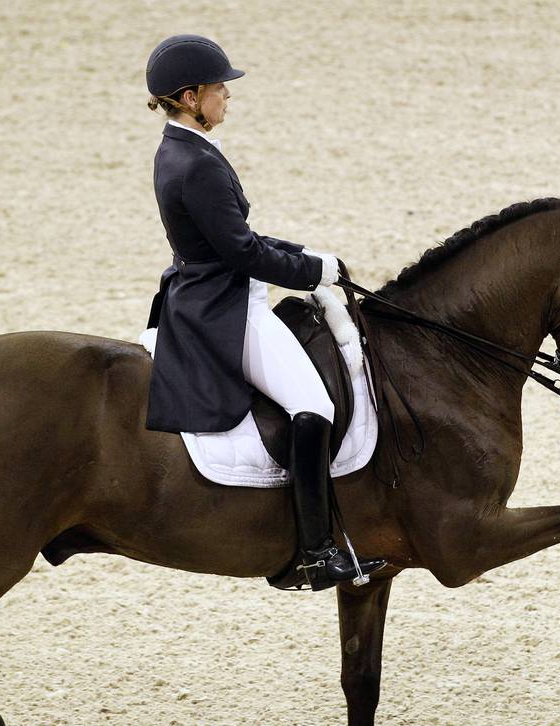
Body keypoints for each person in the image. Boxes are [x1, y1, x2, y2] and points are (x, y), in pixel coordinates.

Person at [142, 34, 384, 590]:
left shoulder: (180, 148)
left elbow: (236, 235)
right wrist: (311, 274)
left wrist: (306, 255)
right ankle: (315, 552)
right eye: (218, 87)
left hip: (212, 287)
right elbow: (242, 252)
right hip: (226, 307)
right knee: (313, 407)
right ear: (188, 95)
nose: (226, 95)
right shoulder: (196, 162)